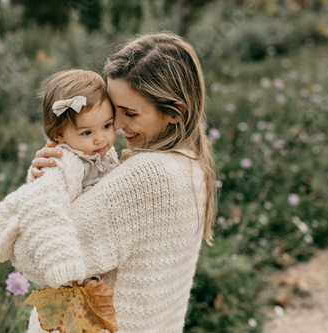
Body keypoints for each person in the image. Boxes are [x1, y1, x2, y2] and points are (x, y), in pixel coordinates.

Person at [16, 32, 217, 332]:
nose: (118, 127)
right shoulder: (192, 165)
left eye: (130, 113)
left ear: (176, 112)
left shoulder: (147, 177)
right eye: (114, 111)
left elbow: (31, 257)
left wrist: (44, 186)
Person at [0, 69, 119, 289]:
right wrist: (63, 263)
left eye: (107, 126)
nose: (101, 138)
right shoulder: (63, 162)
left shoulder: (101, 154)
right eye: (87, 132)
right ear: (59, 135)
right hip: (67, 259)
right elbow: (44, 209)